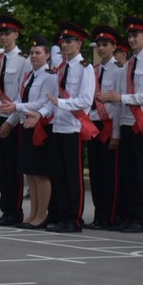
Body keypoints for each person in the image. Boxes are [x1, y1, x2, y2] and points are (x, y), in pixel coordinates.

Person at [97, 16, 143, 233]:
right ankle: (128, 215)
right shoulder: (128, 64)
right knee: (128, 173)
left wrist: (121, 98)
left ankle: (141, 217)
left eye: (136, 35)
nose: (132, 39)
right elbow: (119, 97)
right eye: (130, 35)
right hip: (125, 121)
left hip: (140, 122)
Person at [44, 22, 96, 233]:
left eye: (68, 42)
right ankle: (63, 216)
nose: (64, 46)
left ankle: (74, 219)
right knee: (60, 175)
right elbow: (53, 99)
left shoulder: (86, 68)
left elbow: (86, 100)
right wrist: (43, 112)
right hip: (58, 126)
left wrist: (61, 104)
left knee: (73, 177)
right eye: (62, 42)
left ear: (79, 43)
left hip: (73, 128)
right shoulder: (62, 68)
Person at [0, 15, 29, 226]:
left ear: (16, 35)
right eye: (1, 33)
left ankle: (15, 211)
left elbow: (22, 93)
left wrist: (11, 121)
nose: (4, 37)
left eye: (8, 33)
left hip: (14, 120)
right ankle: (5, 209)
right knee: (2, 168)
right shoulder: (0, 59)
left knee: (13, 168)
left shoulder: (23, 60)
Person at [4, 36, 56, 229]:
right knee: (30, 173)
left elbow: (43, 102)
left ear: (47, 55)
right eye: (32, 53)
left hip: (41, 128)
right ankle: (33, 213)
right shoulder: (28, 76)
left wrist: (16, 106)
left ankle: (42, 215)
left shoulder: (50, 77)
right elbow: (20, 98)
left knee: (40, 173)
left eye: (38, 53)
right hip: (26, 126)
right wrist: (10, 121)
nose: (34, 56)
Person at [86, 25, 123, 229]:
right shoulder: (94, 69)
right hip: (94, 124)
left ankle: (111, 216)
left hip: (110, 125)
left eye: (105, 45)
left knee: (110, 175)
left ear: (114, 47)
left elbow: (118, 105)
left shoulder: (119, 70)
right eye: (99, 45)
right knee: (96, 174)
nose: (101, 49)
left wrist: (116, 134)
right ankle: (99, 214)